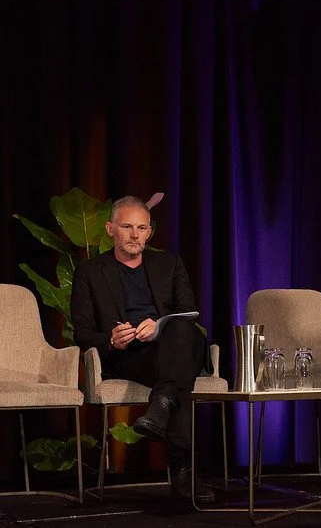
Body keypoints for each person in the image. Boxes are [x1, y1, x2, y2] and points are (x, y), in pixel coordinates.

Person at [71, 195, 215, 503]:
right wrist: (111, 339)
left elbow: (188, 311)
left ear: (149, 232)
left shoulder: (170, 264)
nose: (135, 235)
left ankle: (162, 401)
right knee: (180, 376)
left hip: (172, 345)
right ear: (110, 229)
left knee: (181, 327)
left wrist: (159, 325)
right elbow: (82, 333)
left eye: (141, 228)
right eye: (127, 227)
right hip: (131, 355)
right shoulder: (90, 272)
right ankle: (183, 473)